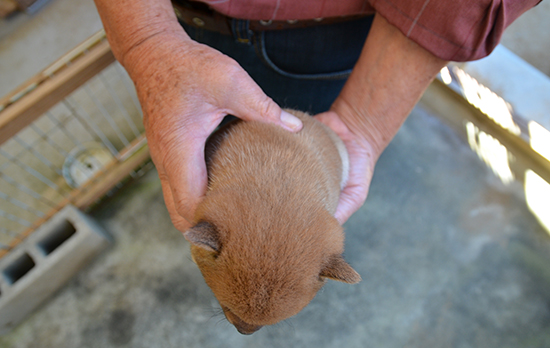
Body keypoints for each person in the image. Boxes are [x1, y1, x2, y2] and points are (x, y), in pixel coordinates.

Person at [93, 0, 540, 232]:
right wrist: (148, 42)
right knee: (204, 170)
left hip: (316, 37)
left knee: (282, 201)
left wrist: (364, 120)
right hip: (175, 17)